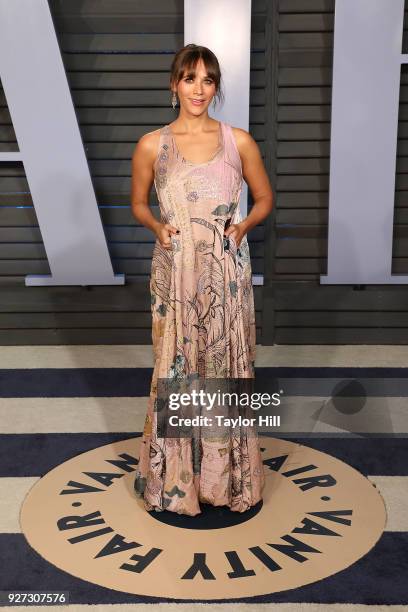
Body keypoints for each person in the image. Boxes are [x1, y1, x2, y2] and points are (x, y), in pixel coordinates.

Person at [130, 43, 273, 516]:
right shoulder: (153, 144)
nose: (198, 89)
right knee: (177, 366)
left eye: (207, 80)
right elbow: (138, 204)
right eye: (189, 79)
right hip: (175, 271)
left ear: (215, 88)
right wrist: (157, 227)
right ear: (174, 86)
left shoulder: (240, 141)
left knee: (227, 364)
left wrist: (243, 226)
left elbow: (264, 199)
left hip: (227, 272)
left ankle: (227, 480)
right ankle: (176, 482)